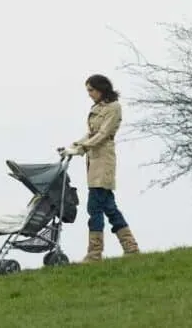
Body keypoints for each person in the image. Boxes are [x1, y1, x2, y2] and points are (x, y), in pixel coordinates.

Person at [58, 74, 140, 262]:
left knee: (95, 206)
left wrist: (81, 149)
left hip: (104, 158)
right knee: (109, 207)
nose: (89, 94)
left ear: (101, 89)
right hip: (93, 160)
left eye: (91, 90)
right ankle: (130, 247)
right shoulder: (96, 108)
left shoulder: (114, 108)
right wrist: (74, 146)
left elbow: (103, 134)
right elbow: (91, 133)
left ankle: (95, 253)